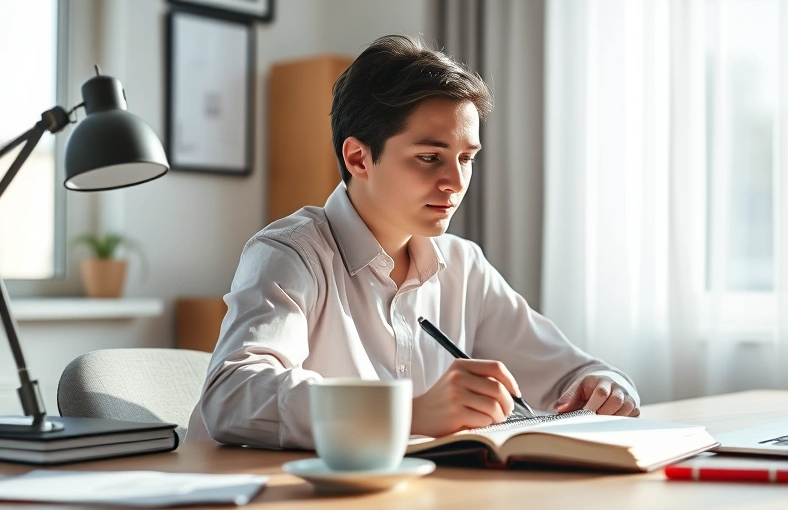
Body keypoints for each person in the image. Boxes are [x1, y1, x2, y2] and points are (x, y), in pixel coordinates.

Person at [186, 35, 639, 449]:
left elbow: (571, 372)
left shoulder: (463, 265)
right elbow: (232, 395)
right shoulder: (291, 253)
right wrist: (409, 411)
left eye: (466, 158)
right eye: (430, 158)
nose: (455, 183)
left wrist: (604, 385)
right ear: (358, 158)